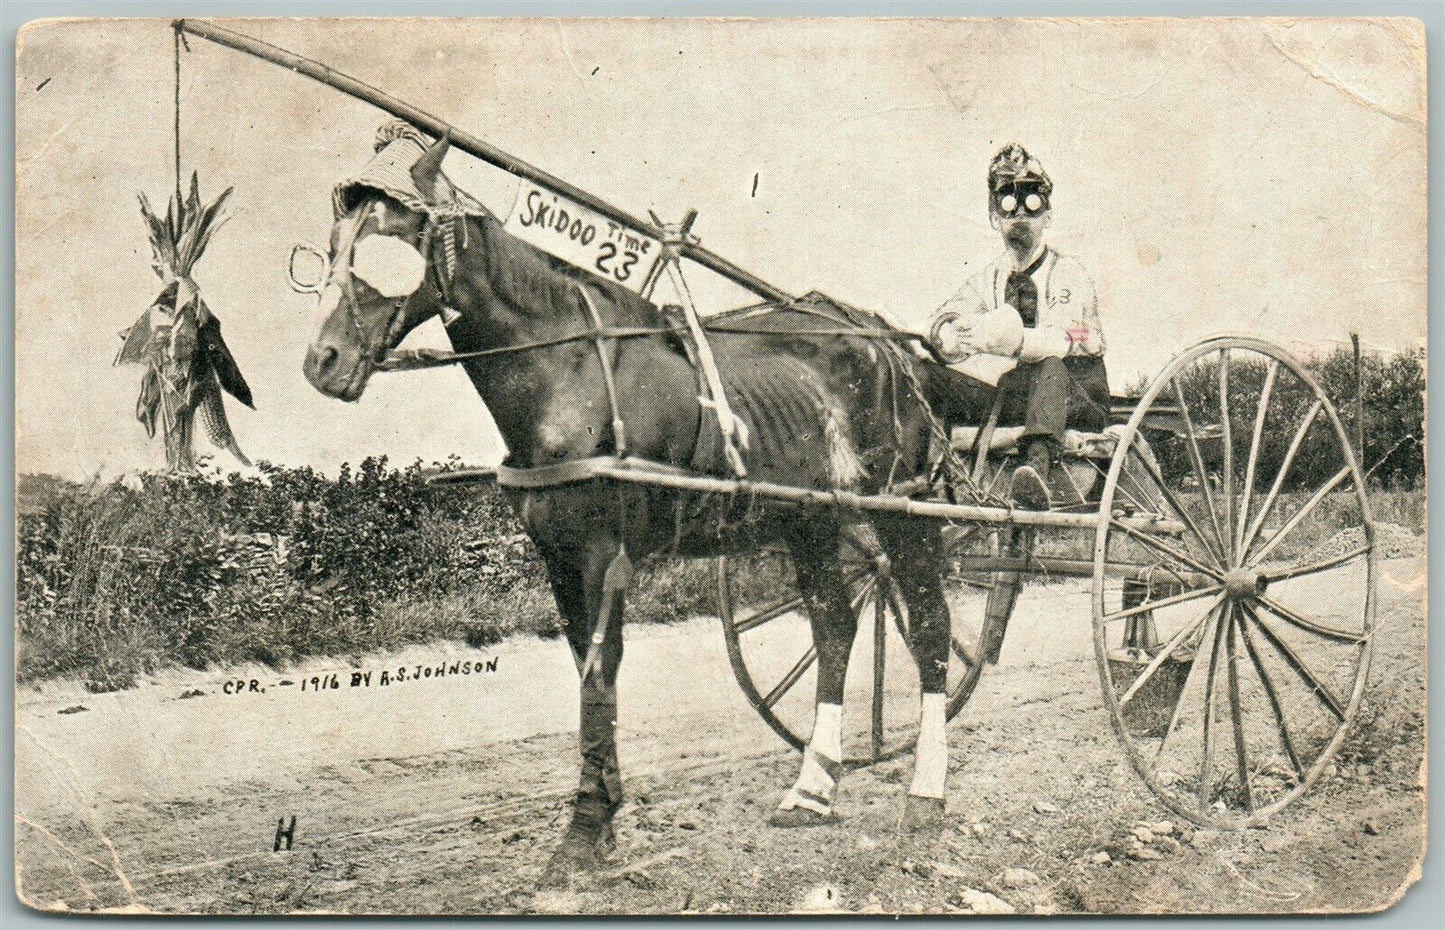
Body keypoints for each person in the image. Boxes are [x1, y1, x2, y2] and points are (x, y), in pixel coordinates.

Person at [931, 143, 1109, 509]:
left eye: (1032, 206)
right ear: (996, 217)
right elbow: (948, 314)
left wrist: (1002, 337)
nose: (1019, 219)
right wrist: (947, 335)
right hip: (1021, 392)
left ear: (1047, 216)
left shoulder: (1067, 274)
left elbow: (1062, 339)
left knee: (1049, 366)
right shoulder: (990, 278)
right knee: (932, 375)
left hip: (1075, 391)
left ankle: (1037, 473)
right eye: (1008, 207)